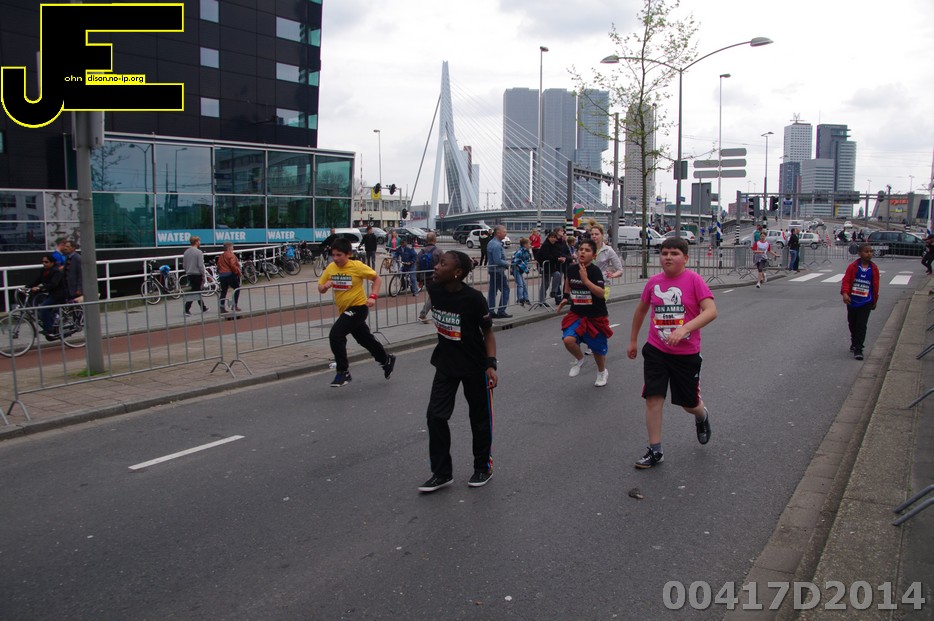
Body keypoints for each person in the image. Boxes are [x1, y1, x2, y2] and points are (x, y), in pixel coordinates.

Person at [627, 237, 718, 469]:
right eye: (664, 253)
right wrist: (633, 340)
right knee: (653, 398)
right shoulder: (653, 283)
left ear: (685, 258)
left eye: (674, 253)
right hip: (656, 350)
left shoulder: (694, 280)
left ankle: (701, 415)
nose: (668, 257)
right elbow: (641, 311)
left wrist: (685, 328)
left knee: (689, 403)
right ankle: (655, 450)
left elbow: (711, 311)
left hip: (686, 354)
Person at [417, 250, 497, 492]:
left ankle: (483, 467)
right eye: (438, 262)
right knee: (435, 417)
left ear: (457, 272)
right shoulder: (435, 289)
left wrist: (491, 364)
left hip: (475, 366)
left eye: (443, 264)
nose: (436, 266)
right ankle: (442, 473)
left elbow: (488, 333)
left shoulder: (474, 299)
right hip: (445, 364)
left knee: (479, 420)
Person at [317, 237, 396, 387]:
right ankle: (386, 360)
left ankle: (343, 372)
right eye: (333, 255)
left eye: (339, 255)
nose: (335, 258)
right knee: (365, 339)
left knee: (336, 334)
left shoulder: (357, 266)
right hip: (345, 310)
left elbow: (377, 279)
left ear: (348, 254)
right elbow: (320, 288)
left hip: (358, 308)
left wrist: (373, 296)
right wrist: (325, 286)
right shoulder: (331, 268)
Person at [557, 239, 612, 387]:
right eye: (581, 249)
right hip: (577, 314)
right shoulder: (572, 269)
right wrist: (565, 297)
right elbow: (568, 282)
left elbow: (601, 293)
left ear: (593, 256)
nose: (582, 252)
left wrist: (586, 280)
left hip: (595, 315)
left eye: (587, 250)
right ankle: (580, 359)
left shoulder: (595, 271)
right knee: (568, 340)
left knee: (597, 349)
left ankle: (602, 372)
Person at [841, 243, 879, 361]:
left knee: (861, 325)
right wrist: (845, 293)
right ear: (859, 253)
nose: (869, 254)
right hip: (852, 301)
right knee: (852, 323)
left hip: (866, 301)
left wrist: (874, 300)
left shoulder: (874, 268)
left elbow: (875, 286)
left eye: (871, 251)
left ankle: (859, 348)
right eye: (866, 252)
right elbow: (846, 281)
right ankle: (854, 340)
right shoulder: (853, 267)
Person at [29, 253, 67, 338]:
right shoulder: (44, 270)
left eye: (46, 262)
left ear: (52, 263)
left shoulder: (57, 271)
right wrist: (26, 287)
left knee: (43, 308)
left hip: (59, 294)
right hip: (51, 294)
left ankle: (50, 330)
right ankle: (52, 325)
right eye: (43, 262)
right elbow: (37, 280)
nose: (44, 263)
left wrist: (39, 288)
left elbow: (53, 284)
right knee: (45, 310)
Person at [590, 221, 623, 297]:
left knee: (599, 304)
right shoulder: (586, 249)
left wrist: (612, 275)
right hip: (588, 284)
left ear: (602, 235)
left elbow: (620, 270)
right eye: (592, 234)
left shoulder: (608, 250)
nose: (594, 236)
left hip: (603, 284)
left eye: (596, 234)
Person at [417, 232, 443, 322]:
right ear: (435, 240)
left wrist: (419, 279)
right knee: (433, 295)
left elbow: (418, 266)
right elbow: (443, 264)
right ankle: (423, 314)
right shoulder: (438, 251)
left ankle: (435, 312)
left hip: (425, 277)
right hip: (436, 277)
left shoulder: (421, 252)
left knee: (433, 295)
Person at [486, 225, 511, 318]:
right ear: (498, 233)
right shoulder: (497, 245)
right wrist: (507, 264)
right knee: (505, 289)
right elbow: (498, 260)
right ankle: (501, 311)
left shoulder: (491, 242)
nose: (505, 234)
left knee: (492, 291)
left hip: (493, 270)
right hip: (498, 271)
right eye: (504, 232)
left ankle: (490, 310)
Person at [537, 229, 564, 305]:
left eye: (554, 237)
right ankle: (542, 300)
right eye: (551, 237)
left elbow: (557, 253)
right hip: (545, 267)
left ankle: (553, 292)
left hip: (551, 267)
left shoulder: (555, 245)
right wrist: (557, 259)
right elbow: (547, 256)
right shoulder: (545, 245)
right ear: (548, 238)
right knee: (545, 284)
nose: (553, 239)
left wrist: (560, 258)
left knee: (557, 275)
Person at [182, 235, 208, 315]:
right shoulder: (199, 252)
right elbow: (200, 265)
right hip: (197, 273)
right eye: (199, 241)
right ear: (196, 242)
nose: (200, 242)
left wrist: (187, 271)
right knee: (195, 291)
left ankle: (203, 307)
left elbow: (184, 265)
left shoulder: (186, 252)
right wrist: (203, 274)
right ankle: (186, 308)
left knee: (196, 290)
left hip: (189, 273)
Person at [216, 241, 242, 313]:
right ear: (229, 248)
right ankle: (234, 305)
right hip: (229, 274)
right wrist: (237, 272)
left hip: (222, 275)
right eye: (232, 247)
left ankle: (222, 307)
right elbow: (232, 265)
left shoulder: (221, 256)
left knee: (223, 291)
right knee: (236, 288)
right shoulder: (231, 255)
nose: (233, 248)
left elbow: (218, 265)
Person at [511, 237, 532, 306]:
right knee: (520, 284)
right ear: (525, 244)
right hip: (516, 269)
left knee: (524, 284)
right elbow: (516, 260)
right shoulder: (520, 251)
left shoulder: (527, 251)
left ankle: (526, 298)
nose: (530, 245)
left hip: (520, 270)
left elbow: (528, 260)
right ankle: (520, 299)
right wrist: (526, 269)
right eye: (529, 244)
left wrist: (529, 267)